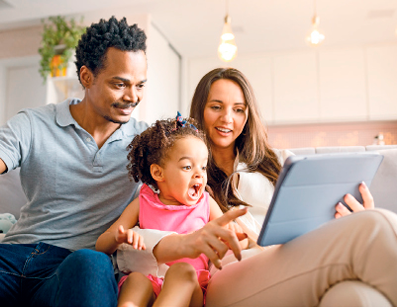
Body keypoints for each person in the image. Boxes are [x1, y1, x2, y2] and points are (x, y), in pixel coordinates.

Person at [0, 16, 149, 307]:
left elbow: (193, 170)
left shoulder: (145, 141)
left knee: (93, 263)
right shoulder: (34, 123)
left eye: (140, 85)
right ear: (87, 77)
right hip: (9, 261)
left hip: (71, 270)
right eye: (120, 84)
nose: (133, 96)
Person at [117, 67, 397, 306]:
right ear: (199, 111)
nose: (228, 118)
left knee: (356, 297)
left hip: (296, 258)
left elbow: (308, 223)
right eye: (216, 107)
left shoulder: (281, 162)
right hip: (231, 274)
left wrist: (345, 218)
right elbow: (134, 240)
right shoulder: (183, 174)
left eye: (238, 110)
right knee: (376, 225)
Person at [96, 114, 247, 307]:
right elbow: (101, 245)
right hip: (149, 281)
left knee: (182, 270)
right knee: (136, 279)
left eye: (203, 166)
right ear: (158, 173)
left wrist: (233, 237)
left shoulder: (205, 204)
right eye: (187, 166)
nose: (199, 174)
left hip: (188, 288)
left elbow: (235, 241)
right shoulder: (142, 202)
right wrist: (118, 238)